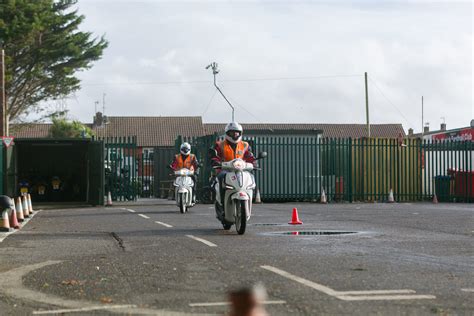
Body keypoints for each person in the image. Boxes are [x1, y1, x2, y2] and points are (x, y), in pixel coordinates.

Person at [211, 122, 256, 205]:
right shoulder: (220, 144)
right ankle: (222, 201)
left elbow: (249, 155)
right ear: (227, 133)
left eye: (237, 133)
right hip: (225, 169)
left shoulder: (245, 145)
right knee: (221, 177)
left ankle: (251, 198)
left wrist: (253, 162)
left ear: (240, 133)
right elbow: (215, 155)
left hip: (241, 169)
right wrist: (216, 161)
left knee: (250, 176)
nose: (235, 135)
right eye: (232, 132)